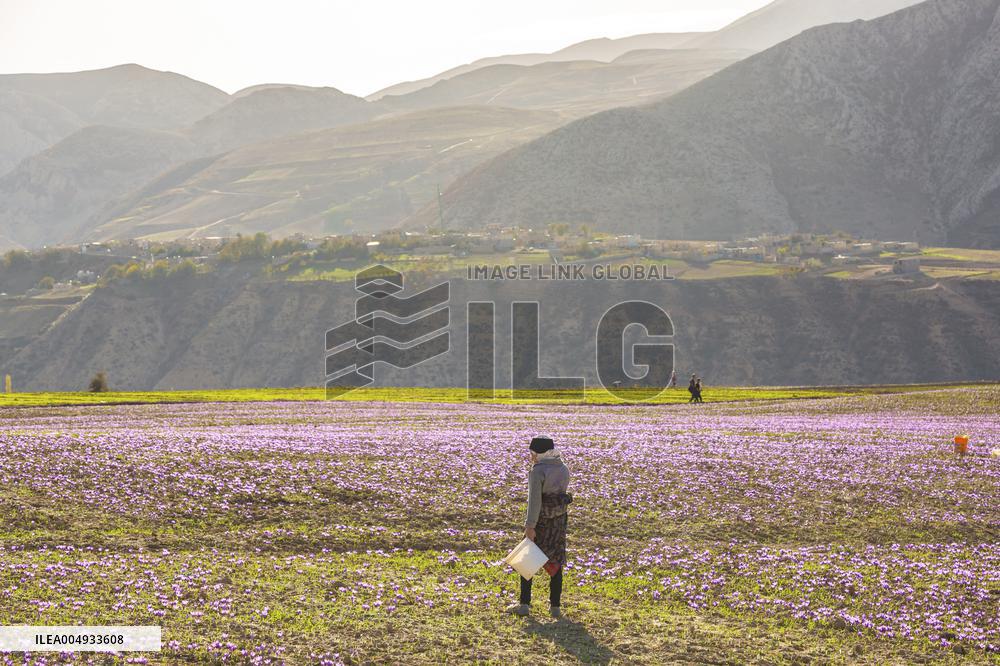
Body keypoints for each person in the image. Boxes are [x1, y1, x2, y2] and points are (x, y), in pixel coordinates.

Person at [506, 437, 571, 618]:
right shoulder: (563, 469)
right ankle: (555, 607)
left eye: (532, 453)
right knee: (556, 561)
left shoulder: (537, 471)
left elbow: (535, 501)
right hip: (558, 522)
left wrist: (530, 526)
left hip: (540, 522)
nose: (531, 457)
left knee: (527, 561)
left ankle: (524, 604)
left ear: (539, 453)